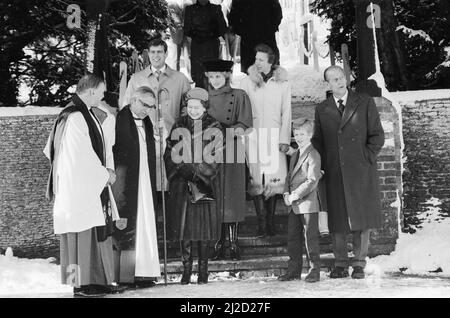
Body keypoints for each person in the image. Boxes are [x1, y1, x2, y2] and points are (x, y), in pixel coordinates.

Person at [44, 74, 125, 297]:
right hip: (79, 186)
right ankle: (78, 285)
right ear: (90, 91)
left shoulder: (76, 113)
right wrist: (106, 174)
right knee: (78, 237)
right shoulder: (76, 117)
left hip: (80, 185)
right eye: (101, 92)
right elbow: (82, 156)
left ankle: (94, 282)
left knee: (88, 235)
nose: (103, 95)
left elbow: (49, 150)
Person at [311, 65, 385, 279]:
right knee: (337, 219)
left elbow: (377, 136)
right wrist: (320, 165)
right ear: (328, 84)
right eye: (334, 79)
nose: (339, 81)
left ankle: (359, 264)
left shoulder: (364, 102)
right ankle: (341, 264)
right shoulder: (322, 109)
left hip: (360, 171)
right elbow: (318, 141)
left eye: (341, 77)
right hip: (334, 171)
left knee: (361, 218)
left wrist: (366, 158)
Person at [164, 87, 224, 285]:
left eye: (197, 107)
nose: (193, 110)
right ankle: (186, 269)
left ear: (205, 107)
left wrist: (197, 173)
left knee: (203, 229)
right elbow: (170, 152)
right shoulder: (178, 124)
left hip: (204, 184)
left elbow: (216, 155)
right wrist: (182, 169)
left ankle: (204, 270)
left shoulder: (214, 125)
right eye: (190, 106)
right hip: (182, 184)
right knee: (185, 229)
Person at [122, 37, 191, 192]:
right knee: (148, 181)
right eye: (152, 52)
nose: (156, 56)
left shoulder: (180, 79)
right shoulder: (137, 79)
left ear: (166, 54)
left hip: (172, 137)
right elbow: (126, 107)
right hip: (145, 135)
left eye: (160, 52)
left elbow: (188, 108)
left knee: (171, 182)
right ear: (148, 54)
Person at [240, 43, 292, 237]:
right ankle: (261, 223)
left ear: (271, 61)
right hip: (253, 136)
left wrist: (284, 138)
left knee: (273, 179)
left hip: (274, 135)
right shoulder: (247, 82)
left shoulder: (283, 83)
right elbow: (242, 109)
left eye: (261, 59)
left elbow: (286, 111)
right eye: (256, 59)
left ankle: (270, 223)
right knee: (256, 179)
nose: (257, 63)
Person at [203, 59, 253, 260]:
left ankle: (232, 243)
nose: (215, 80)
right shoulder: (202, 97)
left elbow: (245, 124)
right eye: (212, 76)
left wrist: (227, 133)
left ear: (226, 76)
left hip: (232, 147)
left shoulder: (239, 95)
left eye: (219, 76)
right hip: (209, 150)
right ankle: (217, 242)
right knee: (214, 194)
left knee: (231, 195)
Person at [112, 86, 161, 288]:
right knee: (127, 228)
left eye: (151, 106)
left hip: (145, 183)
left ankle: (144, 273)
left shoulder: (147, 123)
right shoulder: (120, 121)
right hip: (127, 183)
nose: (146, 109)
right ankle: (126, 277)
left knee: (145, 225)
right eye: (144, 104)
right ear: (133, 100)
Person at [278, 119, 322, 283]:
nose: (298, 137)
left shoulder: (313, 154)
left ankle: (314, 270)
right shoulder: (295, 153)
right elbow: (289, 177)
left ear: (310, 135)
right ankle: (293, 271)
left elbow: (312, 180)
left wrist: (294, 195)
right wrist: (285, 194)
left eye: (302, 134)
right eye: (296, 134)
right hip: (293, 205)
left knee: (310, 239)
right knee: (293, 239)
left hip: (307, 204)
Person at [228, 0, 282, 73]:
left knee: (256, 70)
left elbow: (233, 19)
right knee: (265, 68)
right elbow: (277, 15)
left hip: (252, 38)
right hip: (262, 37)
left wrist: (241, 31)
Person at [183, 0, 227, 88]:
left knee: (212, 73)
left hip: (211, 46)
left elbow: (223, 28)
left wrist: (210, 34)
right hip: (197, 47)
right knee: (198, 74)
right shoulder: (190, 9)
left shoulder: (216, 9)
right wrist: (197, 35)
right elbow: (187, 29)